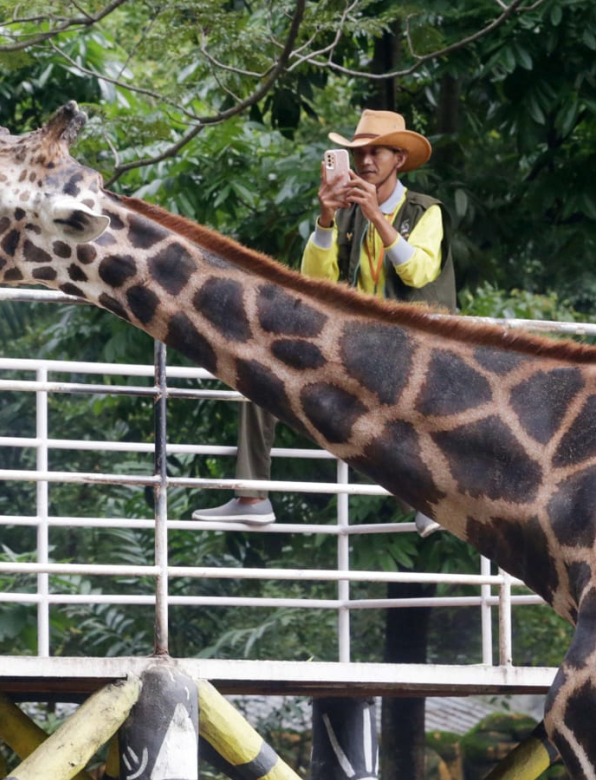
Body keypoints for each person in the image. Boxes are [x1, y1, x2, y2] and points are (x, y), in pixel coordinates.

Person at [194, 110, 455, 528]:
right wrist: (326, 218)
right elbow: (314, 281)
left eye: (377, 152)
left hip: (412, 348)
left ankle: (426, 504)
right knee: (259, 365)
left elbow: (418, 272)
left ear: (399, 159)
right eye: (360, 153)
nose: (367, 162)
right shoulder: (346, 212)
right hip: (353, 346)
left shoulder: (426, 211)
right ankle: (251, 497)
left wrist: (376, 217)